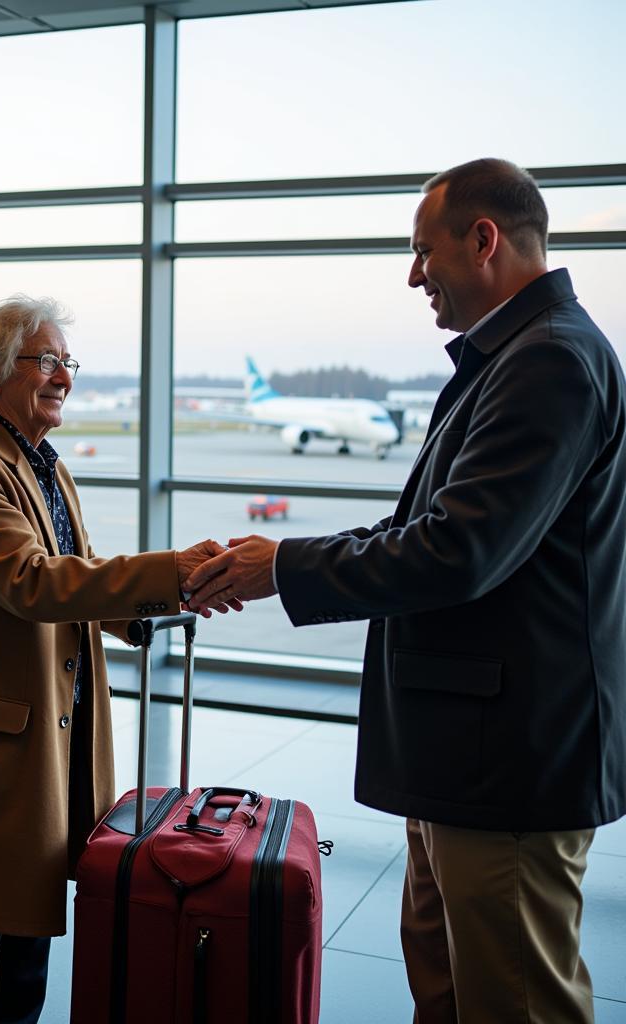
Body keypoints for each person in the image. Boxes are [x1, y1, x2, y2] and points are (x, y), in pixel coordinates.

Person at [184, 158, 626, 1023]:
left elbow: (457, 552)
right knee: (453, 989)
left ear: (484, 240)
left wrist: (283, 568)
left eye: (423, 251)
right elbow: (426, 528)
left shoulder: (550, 363)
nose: (414, 274)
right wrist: (280, 556)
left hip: (507, 763)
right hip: (468, 756)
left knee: (517, 1002)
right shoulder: (515, 358)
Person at [0, 295, 234, 1023]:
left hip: (42, 747)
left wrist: (166, 602)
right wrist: (168, 569)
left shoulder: (38, 463)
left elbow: (72, 574)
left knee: (23, 960)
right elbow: (32, 583)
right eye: (46, 361)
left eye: (66, 362)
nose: (64, 378)